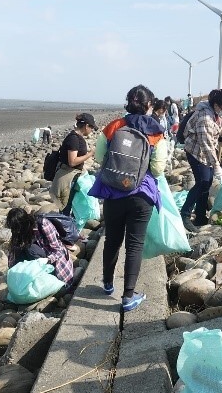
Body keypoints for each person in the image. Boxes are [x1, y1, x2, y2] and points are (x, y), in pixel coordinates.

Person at [88, 85, 168, 312]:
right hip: (141, 195)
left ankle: (106, 283)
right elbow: (158, 169)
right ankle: (128, 296)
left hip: (112, 192)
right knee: (134, 244)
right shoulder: (156, 132)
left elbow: (100, 157)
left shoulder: (114, 126)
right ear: (149, 105)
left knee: (112, 238)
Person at [180, 89, 222, 232]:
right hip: (196, 152)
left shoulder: (216, 114)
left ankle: (200, 216)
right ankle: (185, 214)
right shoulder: (205, 117)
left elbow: (218, 130)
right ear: (216, 105)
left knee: (207, 182)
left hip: (205, 152)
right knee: (202, 181)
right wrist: (216, 166)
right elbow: (206, 145)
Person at [5, 208, 73, 285]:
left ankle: (46, 275)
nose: (16, 231)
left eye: (17, 229)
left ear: (24, 223)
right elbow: (13, 251)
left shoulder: (43, 224)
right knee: (19, 250)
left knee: (31, 249)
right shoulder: (19, 230)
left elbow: (58, 250)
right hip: (40, 254)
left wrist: (47, 260)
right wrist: (12, 271)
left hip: (52, 257)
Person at [49, 113, 96, 213]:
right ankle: (63, 226)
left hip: (71, 175)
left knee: (69, 205)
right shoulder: (74, 139)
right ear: (86, 126)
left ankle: (66, 225)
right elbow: (72, 161)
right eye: (91, 127)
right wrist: (90, 154)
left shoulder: (75, 137)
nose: (92, 130)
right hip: (67, 176)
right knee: (65, 207)